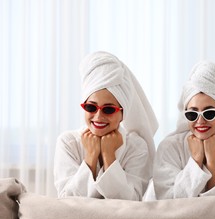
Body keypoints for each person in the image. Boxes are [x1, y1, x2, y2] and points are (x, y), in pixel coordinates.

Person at [54, 51, 158, 200]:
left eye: (109, 109)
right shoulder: (68, 142)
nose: (98, 116)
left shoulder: (137, 146)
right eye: (91, 107)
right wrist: (91, 156)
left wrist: (109, 156)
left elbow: (132, 201)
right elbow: (66, 199)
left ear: (123, 113)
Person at [152, 61, 215, 199]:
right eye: (192, 114)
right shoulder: (169, 147)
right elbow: (168, 202)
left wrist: (213, 160)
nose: (200, 121)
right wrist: (196, 159)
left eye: (209, 113)